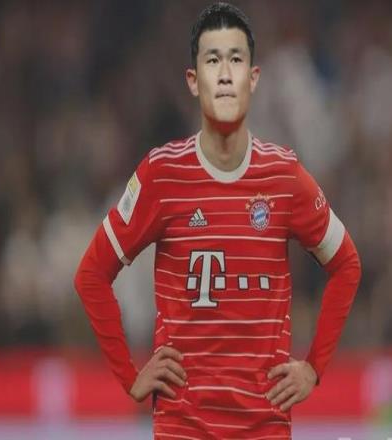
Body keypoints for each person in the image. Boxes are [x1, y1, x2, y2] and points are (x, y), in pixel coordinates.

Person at [74, 2, 361, 438]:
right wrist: (129, 375)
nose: (225, 74)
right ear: (193, 81)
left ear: (253, 78)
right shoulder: (161, 174)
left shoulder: (284, 176)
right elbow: (91, 274)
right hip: (183, 428)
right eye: (212, 61)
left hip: (263, 428)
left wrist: (313, 367)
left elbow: (347, 264)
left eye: (236, 60)